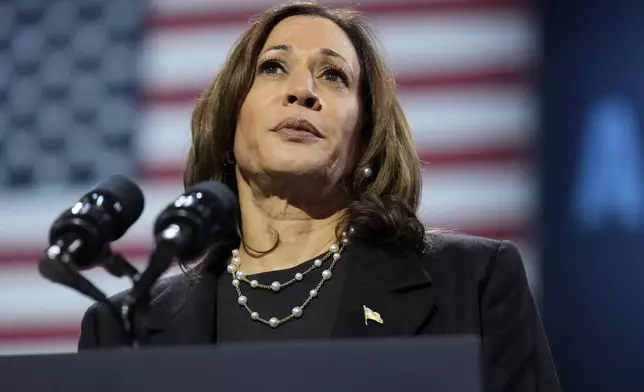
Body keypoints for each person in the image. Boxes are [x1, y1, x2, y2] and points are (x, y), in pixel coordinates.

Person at [78, 2, 561, 391]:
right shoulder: (124, 328)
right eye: (272, 68)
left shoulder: (472, 282)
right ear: (229, 123)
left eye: (333, 76)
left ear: (364, 138)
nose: (303, 91)